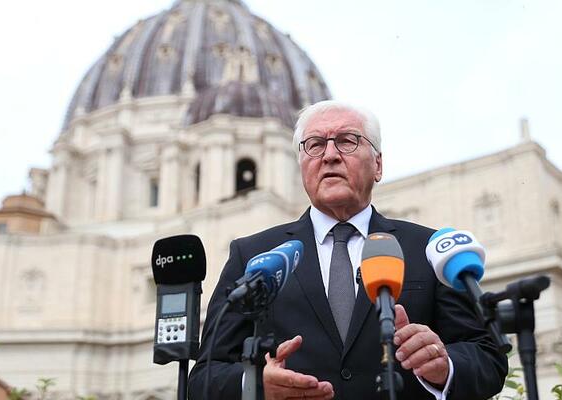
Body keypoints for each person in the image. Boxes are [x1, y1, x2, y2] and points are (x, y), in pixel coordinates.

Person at [189, 100, 508, 399]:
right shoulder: (254, 254)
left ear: (378, 165)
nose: (329, 155)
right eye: (314, 145)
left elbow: (488, 358)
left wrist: (444, 365)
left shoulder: (428, 249)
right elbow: (204, 377)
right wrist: (255, 385)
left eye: (347, 141)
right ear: (302, 166)